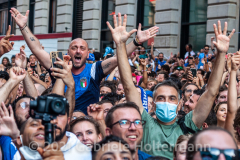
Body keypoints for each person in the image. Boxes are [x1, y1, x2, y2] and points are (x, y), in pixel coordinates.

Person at [116, 20, 235, 159]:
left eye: (172, 98)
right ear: (153, 104)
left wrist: (221, 53)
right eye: (161, 98)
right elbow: (129, 87)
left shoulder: (188, 124)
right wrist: (120, 45)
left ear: (179, 104)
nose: (166, 102)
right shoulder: (145, 123)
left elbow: (211, 93)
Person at [11, 8, 158, 114]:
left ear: (88, 54)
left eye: (82, 48)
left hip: (87, 126)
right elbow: (37, 49)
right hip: (61, 123)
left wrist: (137, 41)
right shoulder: (59, 65)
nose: (78, 51)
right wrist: (23, 27)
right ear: (68, 52)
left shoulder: (94, 69)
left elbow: (118, 58)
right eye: (74, 48)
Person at [19, 94, 92, 160]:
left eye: (59, 115)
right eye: (49, 114)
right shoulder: (27, 149)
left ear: (68, 120)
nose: (54, 121)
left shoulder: (83, 153)